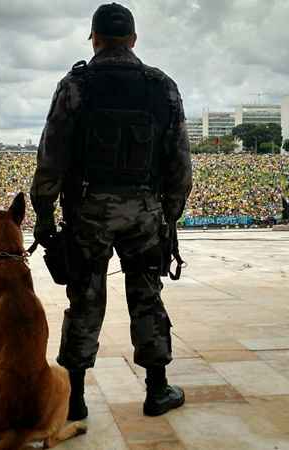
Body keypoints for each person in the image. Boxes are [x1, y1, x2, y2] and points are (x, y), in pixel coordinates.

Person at [30, 2, 192, 419]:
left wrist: (45, 215)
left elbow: (51, 157)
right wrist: (168, 215)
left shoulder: (75, 86)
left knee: (84, 299)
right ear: (133, 40)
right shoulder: (162, 86)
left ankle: (76, 398)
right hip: (144, 209)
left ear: (95, 39)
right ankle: (157, 390)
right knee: (147, 296)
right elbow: (179, 161)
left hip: (88, 210)